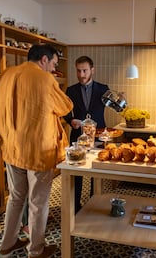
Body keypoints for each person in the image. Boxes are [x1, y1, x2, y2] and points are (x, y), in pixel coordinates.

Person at [0, 44, 73, 258]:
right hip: (38, 151)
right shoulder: (44, 79)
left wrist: (1, 138)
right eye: (54, 64)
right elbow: (65, 106)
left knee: (16, 197)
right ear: (44, 59)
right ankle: (36, 250)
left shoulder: (6, 75)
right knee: (37, 203)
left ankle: (7, 244)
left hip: (11, 149)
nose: (53, 69)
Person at [63, 55, 109, 212]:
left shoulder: (103, 89)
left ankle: (93, 204)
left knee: (96, 172)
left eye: (84, 70)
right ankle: (75, 206)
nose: (81, 75)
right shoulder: (70, 90)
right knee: (77, 172)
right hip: (78, 136)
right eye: (78, 71)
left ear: (92, 70)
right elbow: (64, 110)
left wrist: (120, 99)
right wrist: (71, 120)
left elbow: (118, 106)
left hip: (99, 135)